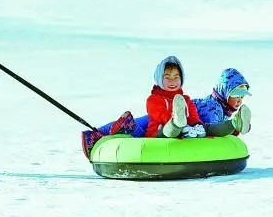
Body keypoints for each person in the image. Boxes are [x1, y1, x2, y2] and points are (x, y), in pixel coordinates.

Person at [81, 58, 251, 158]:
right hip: (162, 125)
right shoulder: (156, 99)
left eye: (177, 77)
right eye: (236, 94)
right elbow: (210, 129)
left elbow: (199, 119)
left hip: (185, 122)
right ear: (225, 91)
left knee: (138, 126)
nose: (239, 100)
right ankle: (98, 135)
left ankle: (236, 124)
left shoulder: (189, 100)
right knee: (135, 125)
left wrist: (196, 124)